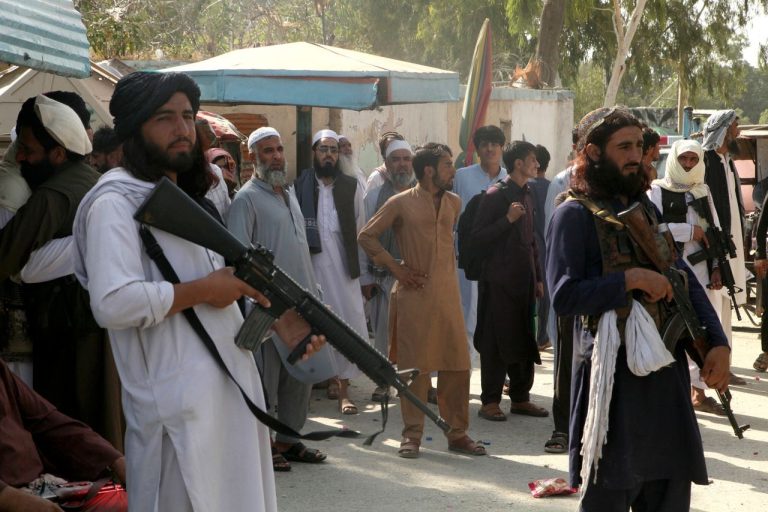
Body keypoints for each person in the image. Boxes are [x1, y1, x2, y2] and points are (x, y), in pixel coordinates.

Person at [72, 71, 324, 511]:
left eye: (187, 116)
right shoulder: (114, 203)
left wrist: (275, 326)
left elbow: (214, 311)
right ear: (134, 129)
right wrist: (205, 289)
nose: (182, 128)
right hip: (178, 421)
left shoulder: (187, 202)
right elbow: (112, 304)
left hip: (230, 405)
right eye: (164, 118)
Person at [547, 107, 730, 511]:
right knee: (610, 489)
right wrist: (629, 281)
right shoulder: (573, 215)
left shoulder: (645, 209)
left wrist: (717, 343)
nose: (636, 156)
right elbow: (564, 295)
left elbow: (680, 275)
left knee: (669, 492)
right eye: (624, 147)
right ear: (593, 153)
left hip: (665, 378)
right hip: (613, 381)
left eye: (638, 147)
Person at [0, 93, 123, 450]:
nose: (20, 157)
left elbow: (5, 258)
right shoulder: (93, 180)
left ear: (57, 154)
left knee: (73, 437)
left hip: (71, 337)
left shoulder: (53, 195)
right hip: (98, 328)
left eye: (28, 150)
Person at [359, 142, 486, 459]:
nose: (453, 171)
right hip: (413, 297)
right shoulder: (400, 202)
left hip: (448, 298)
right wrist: (396, 268)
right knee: (414, 370)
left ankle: (457, 434)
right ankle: (412, 435)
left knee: (458, 366)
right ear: (429, 170)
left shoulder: (454, 202)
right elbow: (366, 236)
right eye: (447, 165)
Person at [227, 126, 330, 471]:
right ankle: (264, 445)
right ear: (253, 157)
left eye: (279, 150)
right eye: (267, 151)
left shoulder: (288, 193)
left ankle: (289, 440)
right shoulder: (246, 200)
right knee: (265, 380)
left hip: (302, 302)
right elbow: (238, 258)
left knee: (299, 376)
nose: (275, 157)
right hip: (268, 307)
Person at [647, 139, 728, 416]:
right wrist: (689, 231)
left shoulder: (702, 191)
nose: (688, 164)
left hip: (703, 270)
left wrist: (717, 266)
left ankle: (699, 391)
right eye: (684, 159)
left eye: (694, 160)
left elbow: (714, 230)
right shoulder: (657, 190)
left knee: (703, 330)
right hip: (673, 269)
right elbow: (653, 229)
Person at [295, 129, 370, 415]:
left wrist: (364, 276)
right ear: (314, 153)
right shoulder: (300, 186)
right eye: (324, 149)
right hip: (312, 269)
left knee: (347, 324)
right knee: (313, 325)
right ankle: (318, 383)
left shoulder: (351, 186)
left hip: (343, 270)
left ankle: (344, 390)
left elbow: (361, 232)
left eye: (334, 150)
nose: (329, 155)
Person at [472, 141, 546, 422]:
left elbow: (531, 240)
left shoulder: (528, 193)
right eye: (532, 159)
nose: (537, 165)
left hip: (524, 281)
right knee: (496, 341)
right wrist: (507, 219)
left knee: (524, 338)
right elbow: (478, 238)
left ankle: (520, 398)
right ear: (518, 163)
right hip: (498, 282)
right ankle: (490, 401)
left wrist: (538, 277)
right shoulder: (495, 195)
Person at [0, 358, 126, 512]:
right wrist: (10, 499)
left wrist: (114, 459)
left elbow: (49, 421)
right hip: (11, 496)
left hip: (41, 489)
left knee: (128, 502)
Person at [361, 138, 416, 401]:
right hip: (382, 277)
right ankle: (383, 383)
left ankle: (418, 384)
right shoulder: (374, 197)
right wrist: (365, 277)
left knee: (415, 332)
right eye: (396, 160)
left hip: (415, 277)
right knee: (383, 333)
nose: (402, 165)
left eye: (406, 159)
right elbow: (363, 237)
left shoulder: (424, 195)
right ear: (386, 164)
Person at [702, 109, 748, 386]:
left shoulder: (727, 163)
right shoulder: (706, 162)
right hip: (714, 249)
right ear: (723, 130)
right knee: (714, 307)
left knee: (727, 307)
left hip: (732, 247)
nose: (738, 132)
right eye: (734, 127)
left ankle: (725, 365)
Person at [453, 125, 508, 356]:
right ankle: (467, 362)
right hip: (468, 254)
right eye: (485, 144)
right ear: (477, 149)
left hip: (501, 256)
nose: (490, 149)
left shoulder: (509, 178)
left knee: (498, 308)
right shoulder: (462, 176)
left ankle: (495, 360)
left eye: (495, 144)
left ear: (502, 148)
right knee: (467, 306)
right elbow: (454, 216)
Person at [530, 143, 552, 349]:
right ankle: (542, 335)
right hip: (548, 244)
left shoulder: (525, 187)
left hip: (531, 243)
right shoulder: (552, 187)